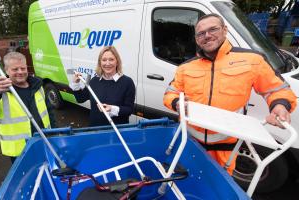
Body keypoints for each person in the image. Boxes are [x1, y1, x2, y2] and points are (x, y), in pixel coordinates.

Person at [163, 14, 297, 175]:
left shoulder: (252, 59)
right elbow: (170, 94)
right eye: (201, 33)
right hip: (189, 143)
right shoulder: (186, 67)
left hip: (226, 150)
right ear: (196, 39)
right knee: (189, 183)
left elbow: (277, 89)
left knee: (220, 188)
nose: (207, 35)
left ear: (225, 30)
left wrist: (280, 106)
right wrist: (177, 102)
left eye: (213, 29)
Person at [0, 52, 57, 163]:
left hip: (45, 142)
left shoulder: (38, 86)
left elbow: (49, 113)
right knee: (29, 179)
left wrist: (55, 134)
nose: (20, 72)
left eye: (23, 68)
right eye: (15, 69)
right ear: (6, 70)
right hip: (21, 152)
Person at [70, 46, 135, 126]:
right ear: (100, 63)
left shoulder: (127, 82)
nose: (107, 63)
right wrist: (75, 83)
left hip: (117, 131)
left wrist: (112, 109)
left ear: (117, 62)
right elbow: (80, 99)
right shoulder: (94, 81)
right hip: (95, 130)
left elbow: (129, 110)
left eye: (111, 59)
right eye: (104, 60)